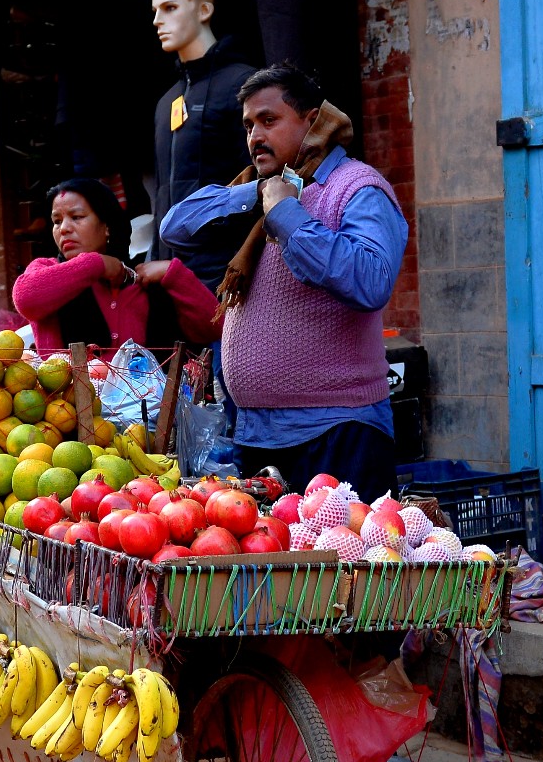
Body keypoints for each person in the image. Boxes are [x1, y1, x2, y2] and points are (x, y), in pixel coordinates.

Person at [158, 64, 408, 496]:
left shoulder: (356, 187)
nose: (255, 135)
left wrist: (286, 214)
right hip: (258, 435)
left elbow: (370, 281)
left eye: (269, 120)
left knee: (342, 563)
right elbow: (174, 228)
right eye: (248, 125)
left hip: (338, 432)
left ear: (311, 121)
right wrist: (255, 194)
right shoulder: (259, 191)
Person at [11, 178, 219, 352]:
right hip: (69, 401)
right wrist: (95, 264)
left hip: (151, 401)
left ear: (107, 227)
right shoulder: (45, 271)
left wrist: (174, 274)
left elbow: (215, 327)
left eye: (76, 217)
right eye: (57, 221)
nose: (63, 228)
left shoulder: (144, 284)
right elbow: (26, 298)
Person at [148, 0, 259, 285]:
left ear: (204, 10)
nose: (158, 20)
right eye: (155, 11)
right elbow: (162, 191)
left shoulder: (244, 84)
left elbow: (260, 175)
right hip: (171, 274)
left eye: (169, 8)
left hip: (224, 270)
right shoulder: (167, 102)